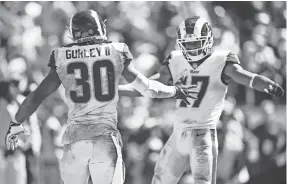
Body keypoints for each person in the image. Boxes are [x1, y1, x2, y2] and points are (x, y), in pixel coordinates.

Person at [4, 10, 198, 184]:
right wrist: (174, 90)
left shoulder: (62, 56)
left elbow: (37, 96)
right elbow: (148, 89)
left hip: (75, 140)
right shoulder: (115, 51)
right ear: (99, 29)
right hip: (104, 139)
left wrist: (16, 122)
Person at [119, 16, 284, 184]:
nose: (191, 49)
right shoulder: (175, 59)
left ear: (208, 40)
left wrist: (264, 84)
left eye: (196, 43)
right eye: (187, 44)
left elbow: (245, 77)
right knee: (160, 180)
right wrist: (117, 91)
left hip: (202, 134)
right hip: (179, 133)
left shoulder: (221, 60)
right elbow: (150, 87)